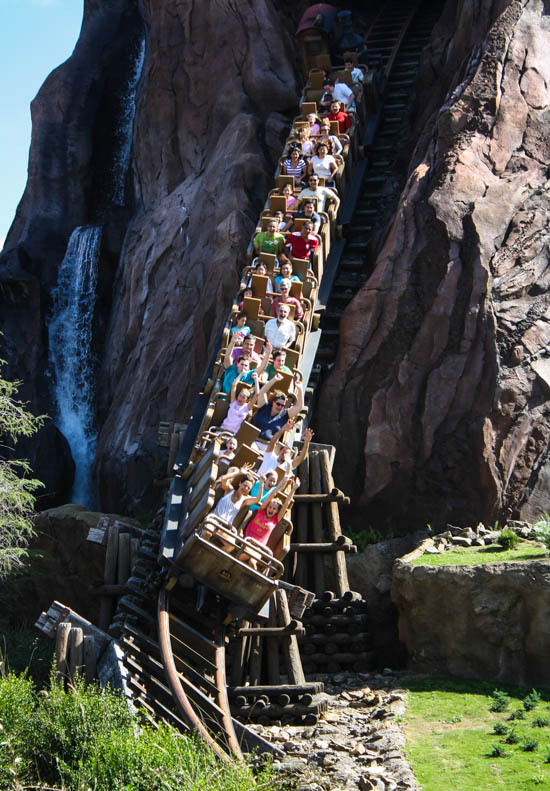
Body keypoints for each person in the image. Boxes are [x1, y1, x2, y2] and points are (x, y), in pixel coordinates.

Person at [241, 475, 301, 570]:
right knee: (245, 554)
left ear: (277, 511)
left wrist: (293, 489)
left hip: (258, 547)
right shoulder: (261, 511)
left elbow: (286, 504)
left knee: (252, 562)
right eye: (270, 507)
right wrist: (282, 482)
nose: (271, 509)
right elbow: (272, 494)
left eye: (274, 509)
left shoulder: (275, 520)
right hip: (247, 541)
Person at [252, 375, 304, 447]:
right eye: (278, 404)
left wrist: (300, 388)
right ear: (273, 402)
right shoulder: (264, 406)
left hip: (269, 445)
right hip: (254, 441)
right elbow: (262, 392)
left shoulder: (285, 414)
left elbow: (299, 407)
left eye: (282, 405)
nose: (280, 407)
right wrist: (274, 380)